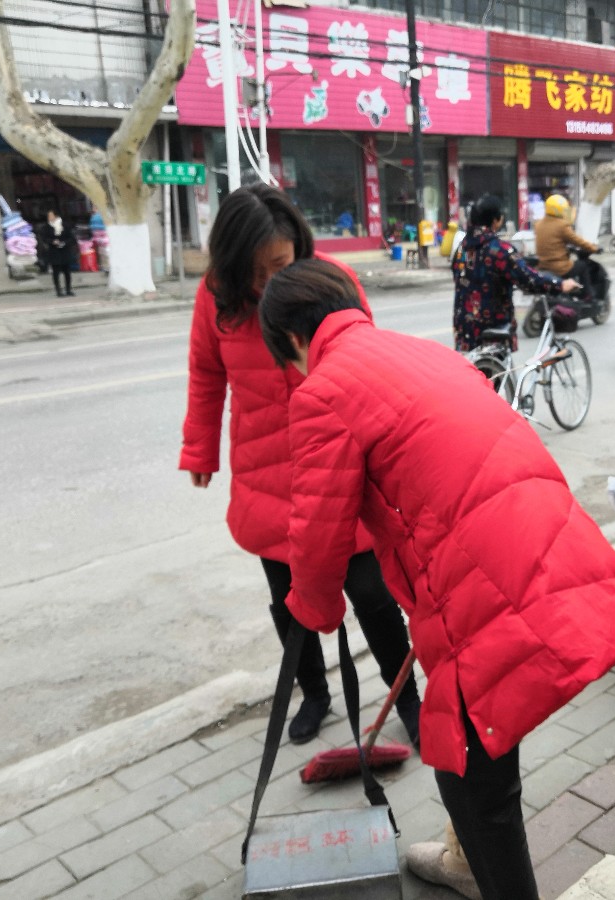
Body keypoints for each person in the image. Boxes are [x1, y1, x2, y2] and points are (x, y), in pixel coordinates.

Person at [257, 258, 615, 900]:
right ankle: (466, 862)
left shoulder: (323, 391)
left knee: (470, 773)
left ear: (291, 339)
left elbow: (317, 533)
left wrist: (313, 608)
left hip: (477, 578)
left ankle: (483, 874)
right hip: (538, 541)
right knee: (482, 741)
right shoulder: (421, 352)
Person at [179, 183, 420, 746]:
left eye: (280, 264)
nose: (270, 282)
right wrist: (199, 449)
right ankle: (314, 693)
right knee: (290, 600)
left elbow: (368, 363)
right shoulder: (216, 297)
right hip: (266, 474)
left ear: (299, 248)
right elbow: (206, 374)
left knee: (374, 596)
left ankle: (406, 697)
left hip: (340, 467)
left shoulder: (332, 282)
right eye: (256, 272)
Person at [452, 193, 578, 352]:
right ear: (495, 220)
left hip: (464, 328)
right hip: (493, 328)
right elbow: (529, 279)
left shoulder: (461, 249)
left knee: (470, 366)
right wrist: (560, 285)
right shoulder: (500, 250)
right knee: (496, 367)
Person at [533, 193, 600, 299]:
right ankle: (588, 296)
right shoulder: (562, 225)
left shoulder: (538, 224)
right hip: (559, 268)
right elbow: (578, 241)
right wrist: (594, 248)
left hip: (543, 265)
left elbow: (552, 241)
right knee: (583, 266)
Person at [38, 209, 75, 297]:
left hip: (65, 251)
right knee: (56, 272)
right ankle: (58, 290)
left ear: (56, 216)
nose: (49, 218)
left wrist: (64, 243)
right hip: (54, 252)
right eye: (48, 216)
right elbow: (44, 238)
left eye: (51, 215)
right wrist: (52, 241)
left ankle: (68, 289)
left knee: (67, 272)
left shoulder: (65, 225)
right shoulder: (46, 227)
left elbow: (72, 238)